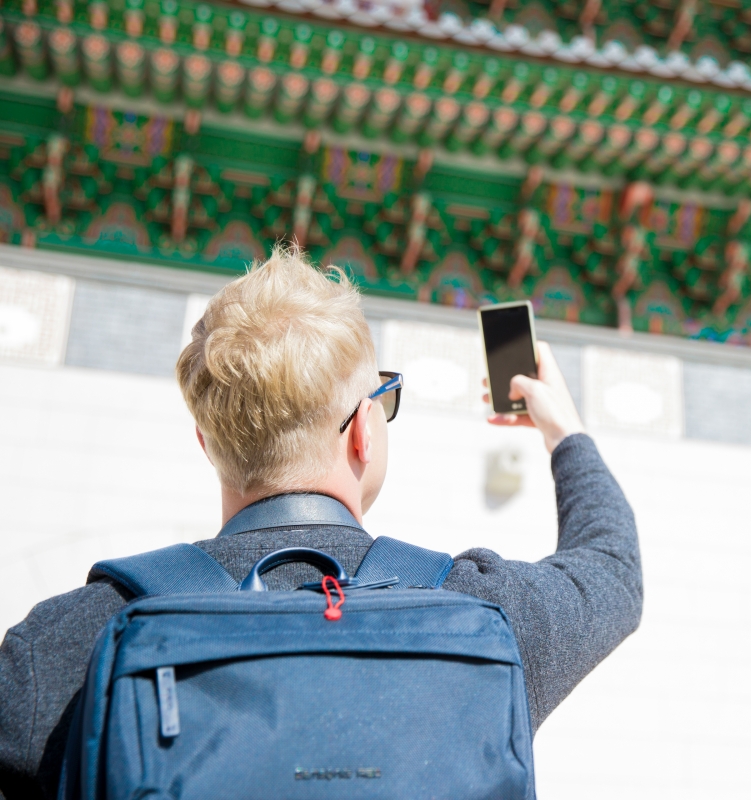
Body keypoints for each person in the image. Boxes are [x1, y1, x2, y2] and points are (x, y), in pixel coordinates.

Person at [0, 245, 642, 799]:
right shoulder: (477, 613)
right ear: (364, 429)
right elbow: (612, 573)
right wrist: (564, 430)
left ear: (206, 441)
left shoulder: (60, 643)